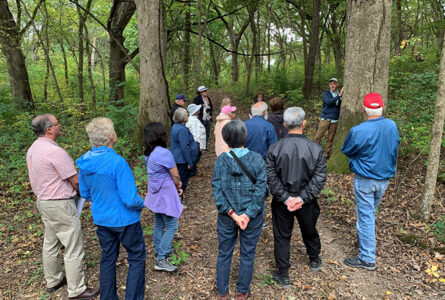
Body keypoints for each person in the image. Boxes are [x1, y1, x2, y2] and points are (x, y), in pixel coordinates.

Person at [26, 114, 99, 300]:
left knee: (50, 243)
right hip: (60, 204)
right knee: (73, 246)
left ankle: (54, 280)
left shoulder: (34, 148)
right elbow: (75, 181)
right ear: (49, 129)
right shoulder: (55, 152)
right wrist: (87, 195)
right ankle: (77, 290)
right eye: (57, 124)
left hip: (44, 202)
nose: (60, 126)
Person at [76, 117, 146, 300]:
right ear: (110, 136)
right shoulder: (118, 162)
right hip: (126, 220)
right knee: (136, 257)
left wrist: (100, 201)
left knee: (108, 258)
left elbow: (84, 191)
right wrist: (142, 203)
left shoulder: (84, 163)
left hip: (102, 219)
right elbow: (130, 198)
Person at [266, 107, 327, 288]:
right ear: (304, 124)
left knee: (282, 236)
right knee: (309, 228)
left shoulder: (275, 148)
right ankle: (314, 259)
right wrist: (299, 198)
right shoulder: (315, 148)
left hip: (285, 201)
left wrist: (289, 198)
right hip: (303, 201)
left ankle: (284, 274)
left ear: (284, 125)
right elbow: (320, 177)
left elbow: (270, 177)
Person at [341, 92, 399, 271]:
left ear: (363, 109)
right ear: (382, 108)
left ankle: (367, 257)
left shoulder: (359, 130)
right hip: (384, 179)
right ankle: (364, 241)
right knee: (369, 213)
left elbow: (347, 150)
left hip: (366, 179)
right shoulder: (391, 125)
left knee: (366, 216)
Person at [212, 120, 267, 300]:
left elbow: (217, 190)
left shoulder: (220, 161)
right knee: (247, 253)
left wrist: (233, 214)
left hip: (227, 217)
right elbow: (261, 191)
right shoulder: (257, 159)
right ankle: (242, 292)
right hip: (252, 217)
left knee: (224, 253)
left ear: (226, 140)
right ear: (245, 136)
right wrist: (248, 214)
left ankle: (222, 293)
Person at [143, 122, 183, 273]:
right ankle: (161, 258)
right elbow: (175, 175)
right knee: (172, 225)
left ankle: (160, 248)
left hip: (155, 193)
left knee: (159, 223)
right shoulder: (163, 153)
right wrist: (178, 186)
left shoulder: (149, 152)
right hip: (165, 193)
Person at [170, 108, 200, 195]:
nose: (188, 116)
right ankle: (178, 202)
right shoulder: (182, 130)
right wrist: (190, 162)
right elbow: (184, 147)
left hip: (176, 158)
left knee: (178, 182)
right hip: (182, 160)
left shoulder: (175, 127)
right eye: (187, 115)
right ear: (182, 117)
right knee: (181, 182)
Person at [314, 78, 344, 160]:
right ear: (329, 85)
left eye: (334, 83)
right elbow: (328, 102)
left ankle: (326, 155)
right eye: (331, 84)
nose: (332, 85)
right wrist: (339, 96)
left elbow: (339, 106)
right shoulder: (326, 93)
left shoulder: (339, 94)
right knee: (318, 136)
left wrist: (339, 96)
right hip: (325, 118)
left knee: (330, 138)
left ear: (337, 84)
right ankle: (314, 153)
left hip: (335, 119)